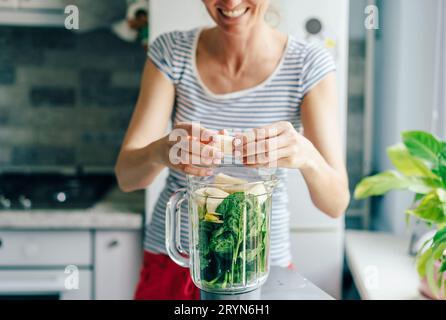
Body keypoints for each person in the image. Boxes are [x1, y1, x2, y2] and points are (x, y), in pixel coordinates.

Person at [115, 0, 350, 300]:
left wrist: (305, 155)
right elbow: (127, 177)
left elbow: (335, 203)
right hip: (175, 262)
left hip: (257, 268)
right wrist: (162, 151)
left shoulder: (308, 64)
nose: (231, 2)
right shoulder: (171, 52)